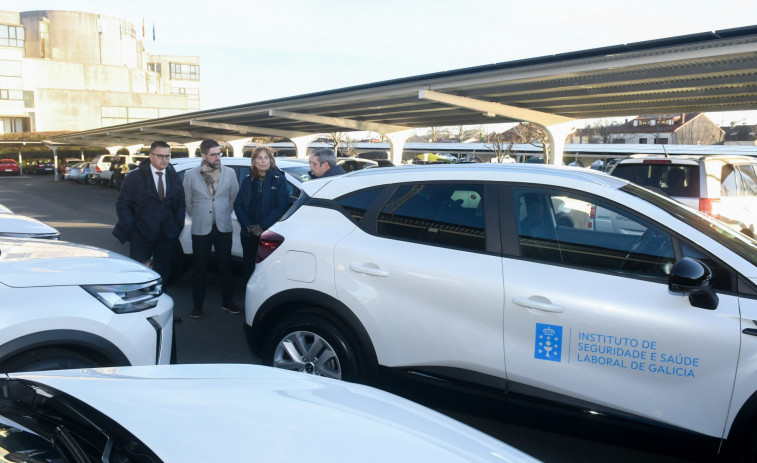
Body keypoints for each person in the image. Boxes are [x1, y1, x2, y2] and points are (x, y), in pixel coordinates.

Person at [113, 141, 185, 285]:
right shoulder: (135, 177)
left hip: (167, 235)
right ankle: (141, 302)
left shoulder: (173, 176)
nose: (164, 160)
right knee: (139, 274)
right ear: (151, 156)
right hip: (141, 234)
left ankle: (160, 301)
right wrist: (131, 228)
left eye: (167, 156)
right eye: (160, 156)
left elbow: (180, 204)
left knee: (162, 275)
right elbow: (122, 204)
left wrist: (177, 226)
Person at [183, 139, 240, 319]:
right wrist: (202, 215)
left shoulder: (229, 173)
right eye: (214, 154)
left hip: (223, 226)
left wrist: (221, 213)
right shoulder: (191, 175)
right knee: (199, 269)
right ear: (203, 156)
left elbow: (233, 198)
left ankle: (228, 302)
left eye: (219, 153)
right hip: (201, 228)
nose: (217, 157)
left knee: (226, 267)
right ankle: (197, 305)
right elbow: (188, 202)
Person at [234, 146, 289, 282]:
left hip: (268, 234)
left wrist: (262, 227)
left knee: (266, 270)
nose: (263, 161)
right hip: (248, 233)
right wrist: (248, 226)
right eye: (259, 158)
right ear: (254, 161)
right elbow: (238, 204)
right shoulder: (248, 179)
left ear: (271, 160)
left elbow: (281, 206)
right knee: (249, 268)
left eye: (266, 158)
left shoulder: (279, 179)